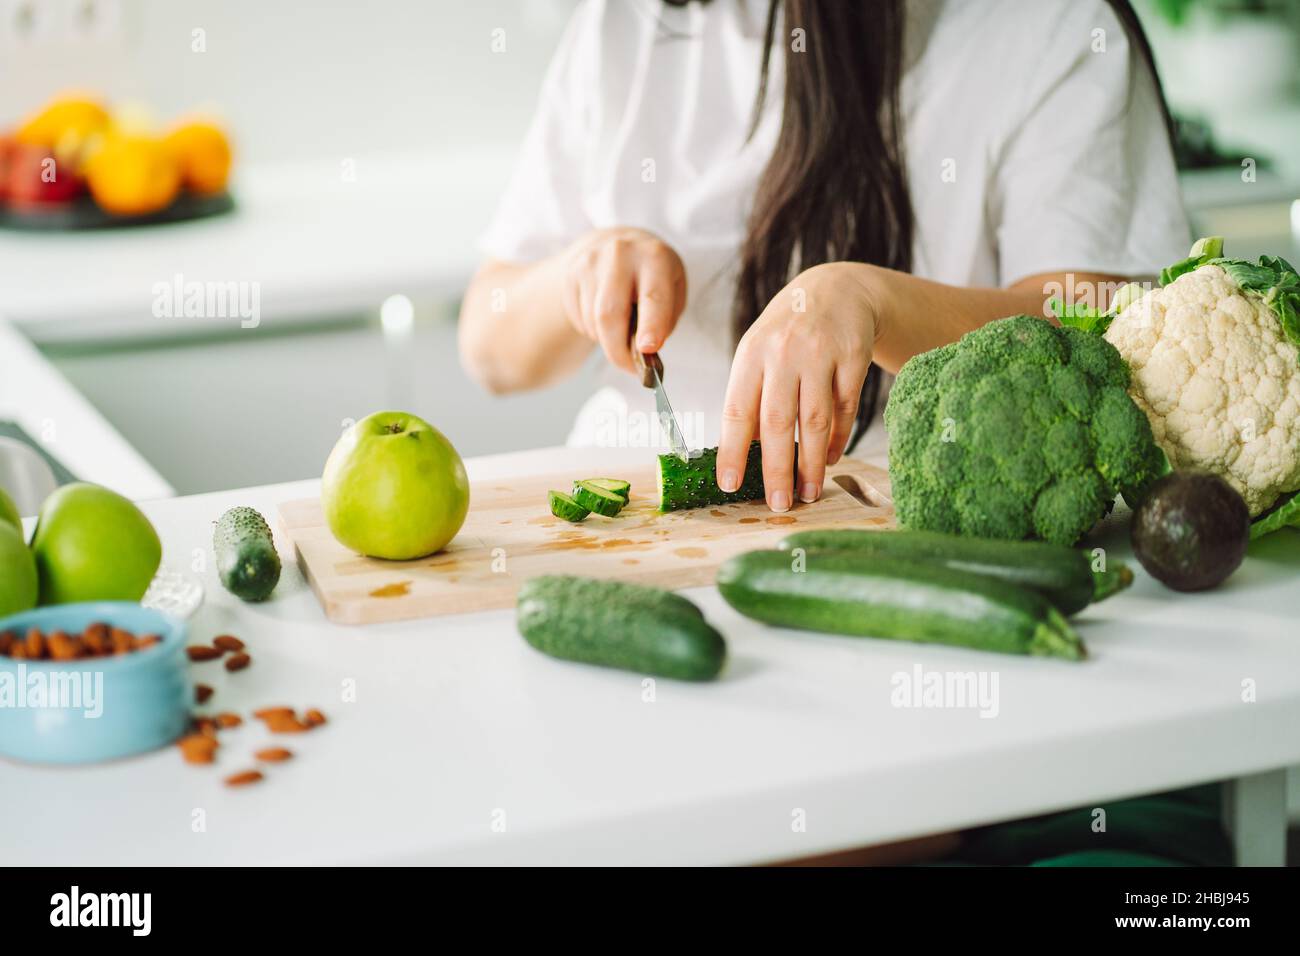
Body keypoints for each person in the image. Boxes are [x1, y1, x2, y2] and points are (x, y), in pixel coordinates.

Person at [459, 0, 1189, 514]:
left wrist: (874, 302)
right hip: (634, 528)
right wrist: (578, 276)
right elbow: (489, 352)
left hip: (895, 522)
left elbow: (1099, 329)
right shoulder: (623, 22)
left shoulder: (1054, 28)